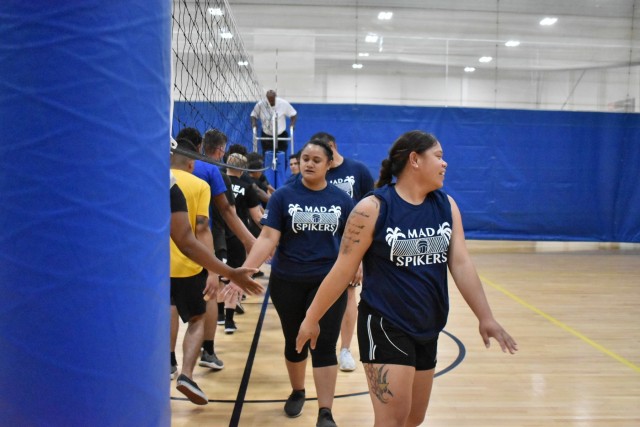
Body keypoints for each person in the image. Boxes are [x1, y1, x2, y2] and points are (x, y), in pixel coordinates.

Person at [296, 131, 518, 427]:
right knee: (391, 420)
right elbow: (342, 270)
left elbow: (462, 263)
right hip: (385, 325)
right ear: (415, 159)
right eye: (438, 156)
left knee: (413, 419)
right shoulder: (372, 208)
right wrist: (312, 318)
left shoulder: (446, 206)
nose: (445, 164)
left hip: (428, 325)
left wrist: (485, 316)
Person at [232, 139, 354, 427]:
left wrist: (356, 267)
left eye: (316, 160)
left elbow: (351, 244)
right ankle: (298, 391)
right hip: (288, 281)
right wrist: (245, 271)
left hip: (328, 283)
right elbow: (267, 238)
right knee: (295, 342)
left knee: (324, 345)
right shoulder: (283, 197)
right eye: (306, 159)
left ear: (328, 164)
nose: (310, 163)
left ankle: (326, 412)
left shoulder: (342, 200)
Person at [169, 139, 261, 406]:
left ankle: (167, 364)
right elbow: (200, 228)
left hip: (156, 265)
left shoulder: (154, 178)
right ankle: (188, 372)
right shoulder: (201, 182)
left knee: (169, 309)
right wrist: (213, 271)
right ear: (191, 161)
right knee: (197, 316)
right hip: (191, 262)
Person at [310, 131, 375, 373]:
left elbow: (374, 204)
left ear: (332, 146)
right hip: (320, 245)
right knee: (318, 294)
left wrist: (361, 257)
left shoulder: (357, 170)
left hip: (350, 245)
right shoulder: (317, 173)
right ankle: (315, 340)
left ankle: (345, 349)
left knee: (348, 294)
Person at [220, 153, 264, 334]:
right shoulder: (247, 187)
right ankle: (229, 319)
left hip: (216, 235)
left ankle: (218, 316)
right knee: (236, 275)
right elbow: (257, 218)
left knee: (218, 275)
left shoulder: (217, 182)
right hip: (237, 235)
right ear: (244, 169)